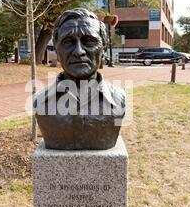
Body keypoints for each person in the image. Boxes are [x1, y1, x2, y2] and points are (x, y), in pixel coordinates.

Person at [34, 8, 125, 150]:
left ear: (104, 48)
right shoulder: (40, 103)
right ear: (57, 51)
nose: (78, 51)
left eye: (89, 41)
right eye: (68, 42)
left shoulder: (119, 99)